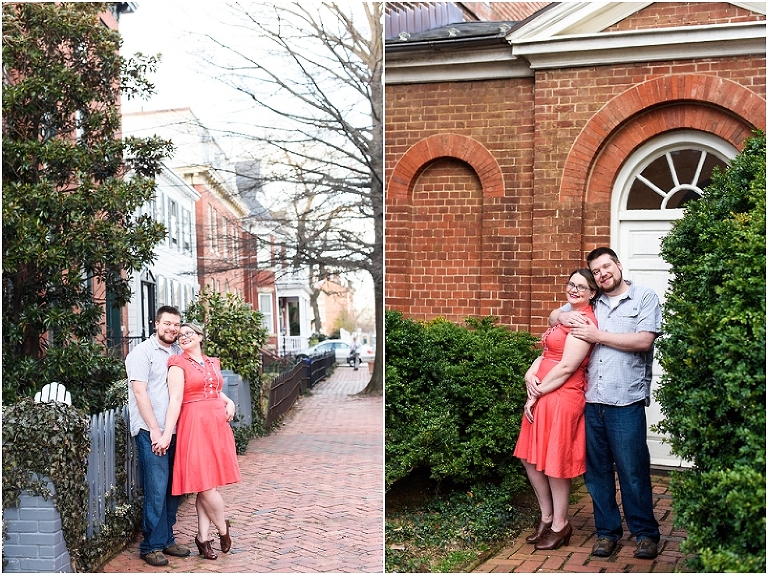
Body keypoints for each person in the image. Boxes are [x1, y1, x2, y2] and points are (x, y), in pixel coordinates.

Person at [550, 247, 662, 560]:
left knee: (632, 472)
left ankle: (645, 534)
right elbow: (555, 315)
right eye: (596, 271)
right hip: (590, 401)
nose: (602, 274)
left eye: (606, 267)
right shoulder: (593, 299)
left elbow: (643, 340)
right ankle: (607, 533)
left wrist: (597, 335)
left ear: (618, 265)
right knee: (597, 474)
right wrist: (562, 314)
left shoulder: (644, 297)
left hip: (625, 401)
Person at [513, 269, 599, 551]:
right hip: (544, 392)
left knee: (554, 463)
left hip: (562, 396)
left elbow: (566, 367)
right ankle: (546, 516)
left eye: (581, 287)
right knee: (530, 456)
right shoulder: (565, 315)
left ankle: (561, 525)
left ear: (592, 293)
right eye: (571, 284)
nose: (574, 290)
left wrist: (535, 394)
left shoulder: (584, 321)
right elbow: (547, 352)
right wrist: (530, 372)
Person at [158, 322, 241, 560]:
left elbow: (213, 388)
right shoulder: (177, 363)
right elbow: (175, 400)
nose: (183, 337)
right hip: (194, 424)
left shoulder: (213, 361)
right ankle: (223, 530)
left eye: (189, 333)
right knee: (204, 485)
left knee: (209, 485)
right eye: (180, 335)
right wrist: (166, 434)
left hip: (216, 424)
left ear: (200, 336)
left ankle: (203, 539)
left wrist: (229, 401)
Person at [125, 306, 191, 567]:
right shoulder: (141, 353)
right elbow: (140, 393)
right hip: (150, 431)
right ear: (156, 324)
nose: (172, 329)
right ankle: (150, 545)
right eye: (167, 324)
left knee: (174, 489)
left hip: (176, 431)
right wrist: (154, 429)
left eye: (176, 324)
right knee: (156, 488)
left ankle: (166, 539)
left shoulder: (178, 352)